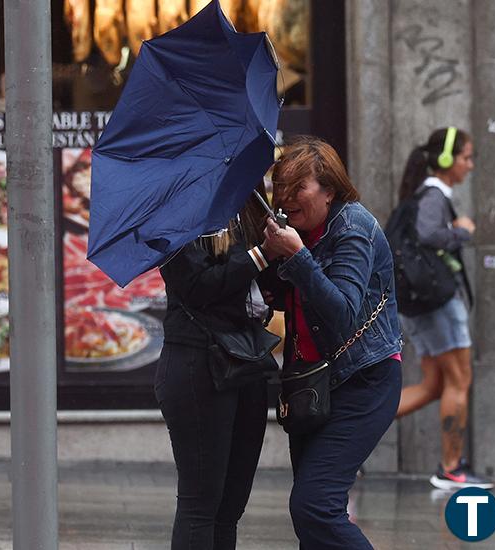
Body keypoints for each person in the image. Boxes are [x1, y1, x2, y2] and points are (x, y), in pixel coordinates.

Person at [260, 137, 402, 549]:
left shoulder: (353, 227)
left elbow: (342, 314)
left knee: (314, 506)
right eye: (279, 186)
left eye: (297, 187)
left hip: (364, 380)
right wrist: (271, 257)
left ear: (329, 189)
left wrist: (296, 256)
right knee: (313, 521)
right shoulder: (296, 230)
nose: (285, 197)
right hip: (311, 384)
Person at [155, 189, 275, 550]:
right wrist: (259, 256)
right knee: (201, 504)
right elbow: (195, 285)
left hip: (247, 361)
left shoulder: (245, 201)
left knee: (230, 507)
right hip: (198, 362)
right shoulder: (175, 207)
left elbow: (249, 281)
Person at [393, 127, 492, 490]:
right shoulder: (434, 195)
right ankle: (451, 468)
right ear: (447, 160)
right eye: (467, 157)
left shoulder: (425, 194)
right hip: (438, 305)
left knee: (435, 385)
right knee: (459, 380)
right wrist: (462, 231)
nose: (470, 165)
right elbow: (429, 234)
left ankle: (352, 423)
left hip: (423, 305)